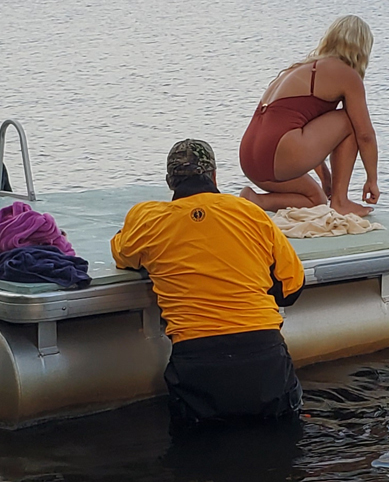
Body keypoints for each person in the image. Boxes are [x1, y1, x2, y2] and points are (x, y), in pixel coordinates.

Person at [111, 138, 305, 429]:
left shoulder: (146, 220)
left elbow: (123, 255)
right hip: (263, 355)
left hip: (197, 363)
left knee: (198, 457)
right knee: (281, 452)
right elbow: (291, 288)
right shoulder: (250, 213)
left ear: (169, 182)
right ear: (214, 176)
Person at [239, 15, 380, 217]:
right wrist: (372, 179)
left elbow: (302, 127)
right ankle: (341, 201)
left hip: (250, 158)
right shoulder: (346, 74)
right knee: (350, 121)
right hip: (279, 151)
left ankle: (255, 200)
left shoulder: (300, 69)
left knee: (317, 200)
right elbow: (365, 134)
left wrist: (325, 176)